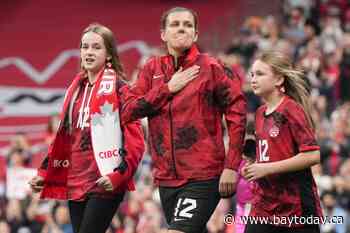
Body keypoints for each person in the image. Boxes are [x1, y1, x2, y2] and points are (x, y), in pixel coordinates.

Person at [121, 7, 247, 233]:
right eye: (175, 24)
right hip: (166, 179)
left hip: (204, 175)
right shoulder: (151, 69)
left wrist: (231, 166)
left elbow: (238, 114)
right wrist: (167, 89)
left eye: (188, 25)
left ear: (196, 34)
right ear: (163, 34)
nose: (181, 28)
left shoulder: (212, 67)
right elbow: (128, 110)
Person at [29, 23, 145, 233]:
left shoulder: (121, 88)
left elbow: (135, 141)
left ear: (109, 54)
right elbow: (64, 137)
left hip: (104, 180)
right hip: (75, 181)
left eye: (96, 47)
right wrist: (45, 172)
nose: (88, 52)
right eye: (85, 47)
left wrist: (118, 175)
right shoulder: (74, 90)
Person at [243, 51, 322, 233]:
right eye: (252, 74)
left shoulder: (291, 109)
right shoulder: (259, 113)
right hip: (264, 204)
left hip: (295, 207)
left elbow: (312, 155)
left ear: (279, 80)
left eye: (260, 74)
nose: (253, 79)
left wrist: (267, 168)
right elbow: (271, 154)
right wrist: (254, 165)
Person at [235, 138, 255, 233]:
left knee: (248, 224)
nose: (244, 158)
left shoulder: (258, 165)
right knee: (239, 225)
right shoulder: (242, 163)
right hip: (240, 202)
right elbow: (237, 176)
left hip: (251, 203)